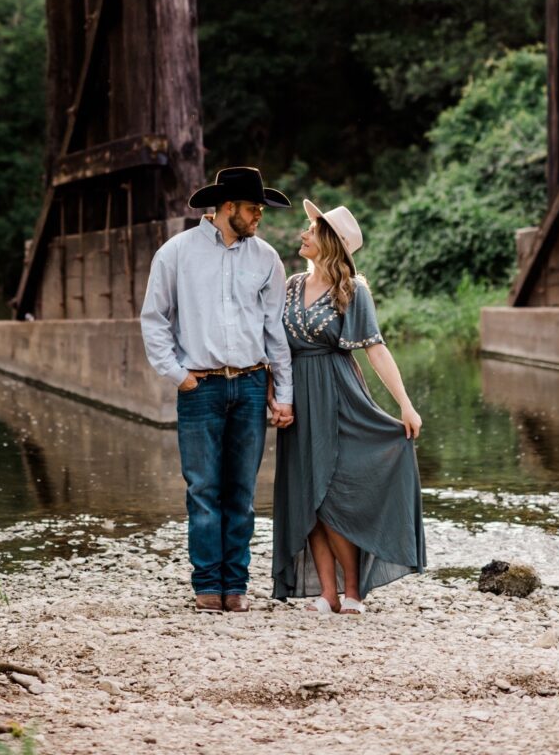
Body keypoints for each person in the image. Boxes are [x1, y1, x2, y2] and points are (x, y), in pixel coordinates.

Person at [141, 167, 294, 614]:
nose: (259, 216)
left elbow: (275, 331)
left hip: (250, 384)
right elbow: (155, 319)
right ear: (227, 208)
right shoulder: (175, 254)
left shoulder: (266, 258)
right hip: (200, 386)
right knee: (203, 489)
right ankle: (208, 585)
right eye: (253, 208)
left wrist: (283, 393)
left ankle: (237, 586)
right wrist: (178, 374)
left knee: (241, 492)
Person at [271, 199, 426, 613]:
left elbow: (375, 350)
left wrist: (406, 406)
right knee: (308, 496)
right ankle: (326, 594)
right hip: (298, 398)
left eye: (310, 229)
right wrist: (274, 393)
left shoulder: (352, 291)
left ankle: (353, 592)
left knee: (333, 492)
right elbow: (273, 347)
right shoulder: (289, 286)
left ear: (329, 242)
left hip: (339, 394)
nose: (302, 234)